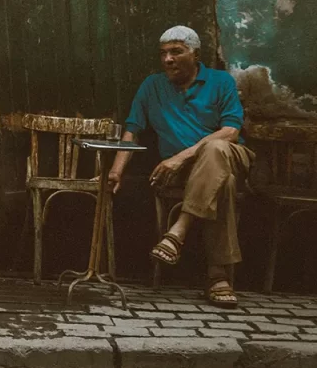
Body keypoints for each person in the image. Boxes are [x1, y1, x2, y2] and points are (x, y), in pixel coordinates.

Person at [106, 25, 251, 308]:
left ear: (195, 54)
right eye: (163, 53)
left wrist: (181, 156)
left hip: (231, 156)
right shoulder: (152, 86)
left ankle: (177, 232)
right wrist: (116, 171)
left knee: (216, 149)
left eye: (176, 52)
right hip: (188, 174)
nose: (168, 59)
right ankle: (218, 277)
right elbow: (132, 130)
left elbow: (231, 131)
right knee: (224, 183)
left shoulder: (220, 81)